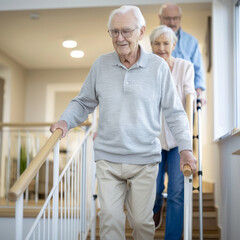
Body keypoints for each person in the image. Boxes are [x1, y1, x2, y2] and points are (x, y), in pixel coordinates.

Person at [50, 5, 197, 240]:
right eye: (114, 32)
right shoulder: (101, 65)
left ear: (141, 32)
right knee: (110, 219)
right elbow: (83, 102)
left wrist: (186, 150)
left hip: (144, 160)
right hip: (108, 158)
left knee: (141, 222)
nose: (120, 38)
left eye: (126, 31)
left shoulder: (158, 68)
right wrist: (65, 121)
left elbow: (175, 113)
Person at [150, 25, 196, 239]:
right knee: (153, 189)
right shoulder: (147, 70)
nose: (161, 48)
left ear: (174, 45)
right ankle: (156, 207)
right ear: (150, 46)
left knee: (177, 193)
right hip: (153, 141)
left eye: (166, 43)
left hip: (178, 142)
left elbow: (189, 97)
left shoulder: (185, 67)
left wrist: (189, 136)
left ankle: (173, 237)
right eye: (157, 44)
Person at [158, 2, 206, 102]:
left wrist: (198, 94)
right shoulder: (155, 40)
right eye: (167, 18)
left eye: (175, 18)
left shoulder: (192, 42)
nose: (172, 22)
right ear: (160, 18)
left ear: (180, 18)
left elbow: (198, 71)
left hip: (185, 100)